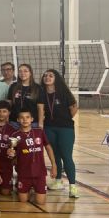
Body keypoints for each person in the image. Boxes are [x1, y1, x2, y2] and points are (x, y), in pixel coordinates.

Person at [40, 69, 78, 198]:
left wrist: (64, 119)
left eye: (50, 75)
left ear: (56, 78)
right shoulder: (41, 93)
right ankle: (57, 181)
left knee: (66, 156)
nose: (47, 77)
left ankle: (73, 186)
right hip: (49, 127)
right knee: (55, 155)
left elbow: (73, 108)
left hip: (65, 128)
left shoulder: (64, 93)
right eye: (45, 75)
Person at [9, 110, 58, 205]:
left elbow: (48, 147)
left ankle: (33, 190)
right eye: (22, 118)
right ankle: (25, 190)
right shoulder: (15, 136)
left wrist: (54, 165)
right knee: (23, 201)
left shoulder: (39, 132)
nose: (25, 120)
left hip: (39, 173)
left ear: (32, 119)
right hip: (23, 173)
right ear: (18, 120)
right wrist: (11, 155)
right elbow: (12, 156)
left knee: (40, 202)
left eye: (27, 117)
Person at [0, 101, 17, 196]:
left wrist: (13, 154)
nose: (1, 114)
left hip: (6, 164)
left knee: (5, 192)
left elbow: (16, 151)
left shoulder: (14, 130)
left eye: (4, 111)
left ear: (9, 113)